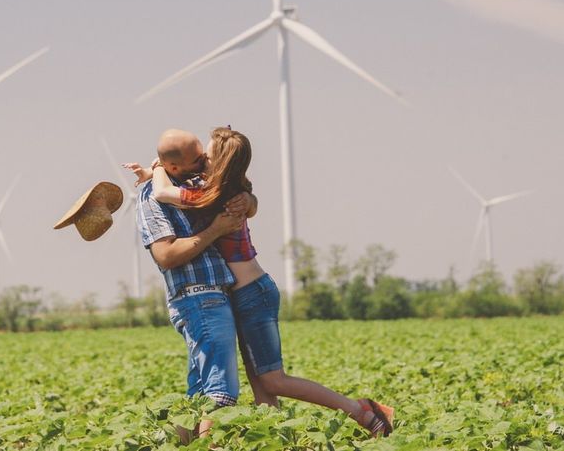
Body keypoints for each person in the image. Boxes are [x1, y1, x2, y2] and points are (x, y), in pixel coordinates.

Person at [128, 126, 394, 438]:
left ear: (220, 163)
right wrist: (154, 169)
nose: (201, 162)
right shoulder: (221, 188)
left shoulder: (212, 194)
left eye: (206, 157)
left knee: (270, 382)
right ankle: (280, 441)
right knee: (264, 394)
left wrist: (156, 169)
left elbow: (163, 192)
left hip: (252, 294)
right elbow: (175, 188)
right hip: (240, 295)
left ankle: (362, 410)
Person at [132, 128, 258, 440]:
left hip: (214, 296)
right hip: (198, 297)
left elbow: (240, 189)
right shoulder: (153, 197)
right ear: (174, 167)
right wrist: (216, 230)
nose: (204, 161)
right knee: (222, 391)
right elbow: (166, 255)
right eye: (197, 158)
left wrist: (248, 199)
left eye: (204, 154)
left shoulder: (193, 185)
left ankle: (179, 444)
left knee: (199, 394)